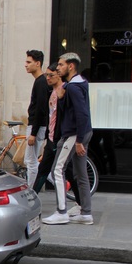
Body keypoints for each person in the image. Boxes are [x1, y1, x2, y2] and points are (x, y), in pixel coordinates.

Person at [43, 52, 93, 225]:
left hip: (74, 134)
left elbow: (82, 114)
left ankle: (61, 212)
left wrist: (79, 140)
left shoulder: (73, 86)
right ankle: (85, 213)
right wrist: (62, 98)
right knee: (80, 173)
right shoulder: (78, 84)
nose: (58, 68)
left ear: (71, 66)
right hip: (79, 133)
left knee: (57, 169)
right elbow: (76, 112)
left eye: (61, 65)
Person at [33, 63, 81, 214]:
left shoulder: (66, 91)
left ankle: (68, 209)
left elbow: (68, 115)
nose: (47, 78)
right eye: (46, 75)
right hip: (52, 137)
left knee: (59, 171)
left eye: (51, 75)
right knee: (46, 170)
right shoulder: (50, 92)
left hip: (61, 137)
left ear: (59, 75)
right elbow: (49, 116)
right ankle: (80, 204)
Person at [24, 50, 49, 188]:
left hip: (36, 127)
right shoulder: (41, 81)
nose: (25, 65)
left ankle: (31, 192)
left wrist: (33, 132)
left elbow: (40, 109)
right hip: (38, 126)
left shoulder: (40, 82)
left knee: (31, 161)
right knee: (32, 161)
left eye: (29, 62)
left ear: (37, 63)